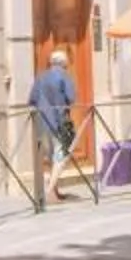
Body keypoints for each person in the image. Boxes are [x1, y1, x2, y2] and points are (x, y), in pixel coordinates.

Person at [30, 49, 80, 200]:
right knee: (61, 156)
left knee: (50, 156)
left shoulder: (40, 77)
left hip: (41, 122)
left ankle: (53, 190)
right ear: (64, 63)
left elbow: (32, 99)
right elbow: (71, 98)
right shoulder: (64, 77)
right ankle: (50, 190)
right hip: (59, 122)